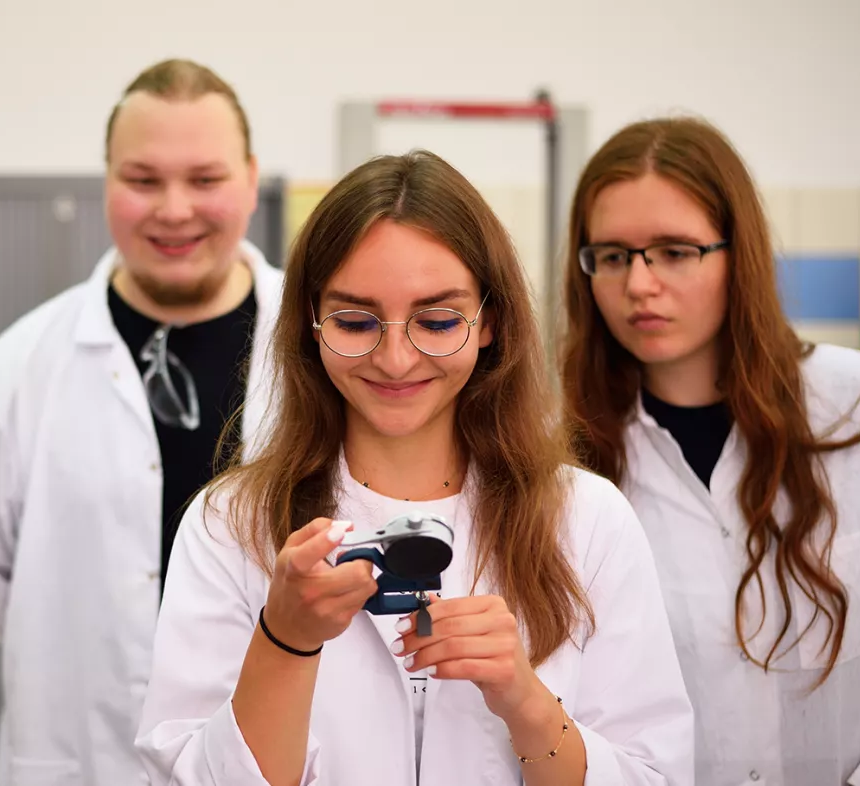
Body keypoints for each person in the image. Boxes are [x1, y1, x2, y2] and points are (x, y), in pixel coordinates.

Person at [139, 150, 694, 785]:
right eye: (354, 321)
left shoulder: (587, 520)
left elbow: (656, 776)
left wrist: (524, 699)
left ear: (491, 323)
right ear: (310, 326)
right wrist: (285, 640)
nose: (397, 360)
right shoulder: (230, 525)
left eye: (436, 321)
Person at [558, 117, 860, 786]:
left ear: (738, 254)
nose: (639, 284)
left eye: (674, 251)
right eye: (611, 255)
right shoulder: (567, 457)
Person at [0, 58, 285, 785]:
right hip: (81, 755)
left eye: (206, 179)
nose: (175, 208)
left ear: (251, 179)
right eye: (143, 180)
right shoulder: (20, 367)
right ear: (106, 183)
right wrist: (84, 636)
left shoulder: (321, 350)